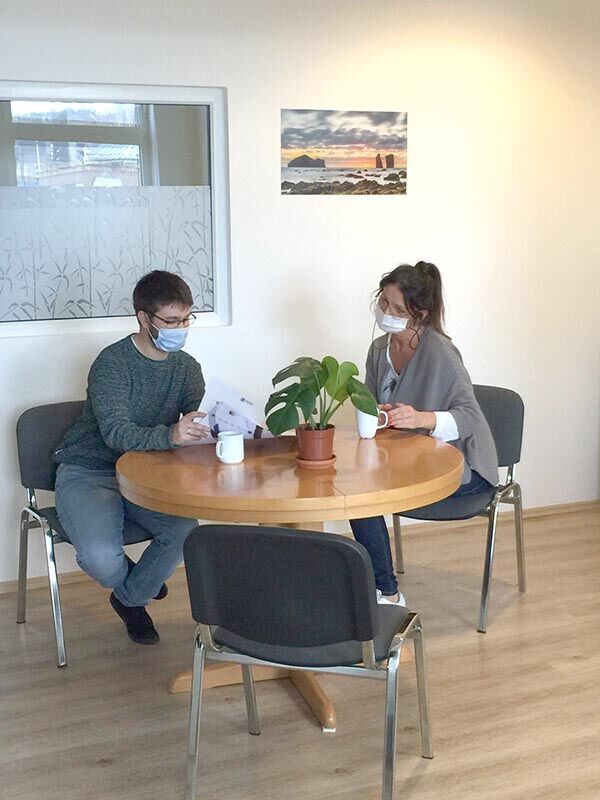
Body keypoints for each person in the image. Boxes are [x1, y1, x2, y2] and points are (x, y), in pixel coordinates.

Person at [55, 270, 210, 645]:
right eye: (171, 321)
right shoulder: (112, 363)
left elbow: (199, 419)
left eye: (185, 319)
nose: (181, 328)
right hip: (90, 471)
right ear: (144, 317)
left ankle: (130, 598)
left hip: (147, 474)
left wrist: (222, 426)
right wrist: (171, 435)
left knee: (184, 531)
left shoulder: (187, 368)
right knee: (101, 560)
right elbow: (115, 433)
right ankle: (137, 581)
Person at [350, 261, 498, 605]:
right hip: (409, 462)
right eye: (383, 303)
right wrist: (377, 413)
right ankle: (380, 588)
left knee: (364, 497)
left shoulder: (440, 352)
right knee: (356, 491)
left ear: (420, 313)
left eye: (398, 309)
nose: (387, 313)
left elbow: (471, 418)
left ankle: (387, 595)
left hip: (463, 468)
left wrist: (423, 418)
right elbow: (369, 406)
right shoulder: (379, 350)